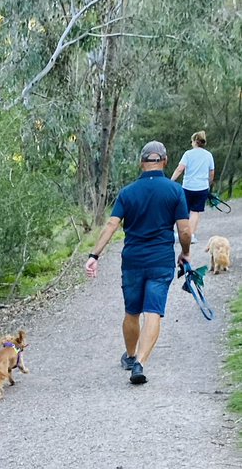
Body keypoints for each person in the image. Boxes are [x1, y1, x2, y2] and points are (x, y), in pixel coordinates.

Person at [85, 141, 190, 386]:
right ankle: (141, 362)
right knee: (153, 311)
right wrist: (185, 253)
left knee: (132, 311)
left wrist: (94, 255)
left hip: (132, 260)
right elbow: (184, 230)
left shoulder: (127, 192)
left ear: (141, 163)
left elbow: (111, 225)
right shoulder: (175, 191)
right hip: (161, 260)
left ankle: (131, 356)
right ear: (164, 161)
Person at [170, 131, 215, 242]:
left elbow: (180, 169)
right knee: (195, 212)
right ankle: (191, 235)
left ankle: (182, 234)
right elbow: (212, 172)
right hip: (202, 187)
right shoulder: (208, 155)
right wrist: (208, 184)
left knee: (184, 211)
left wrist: (171, 181)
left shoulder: (188, 154)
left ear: (195, 141)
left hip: (188, 187)